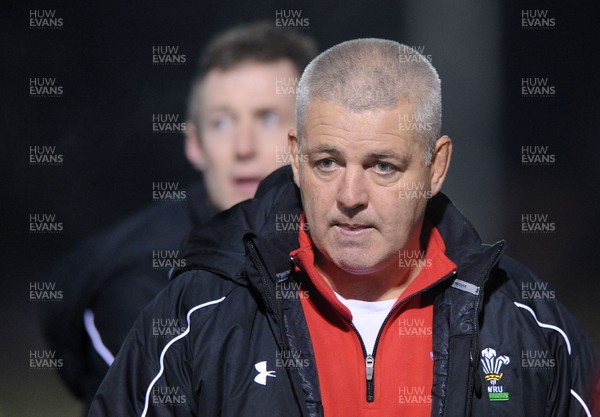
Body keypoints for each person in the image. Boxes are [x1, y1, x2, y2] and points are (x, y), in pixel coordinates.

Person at [88, 39, 598, 417]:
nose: (350, 197)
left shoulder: (531, 324)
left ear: (436, 166)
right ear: (294, 156)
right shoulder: (198, 316)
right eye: (327, 162)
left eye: (383, 166)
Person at [41, 21, 317, 410]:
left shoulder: (349, 243)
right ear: (194, 143)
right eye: (222, 122)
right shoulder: (141, 281)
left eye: (268, 118)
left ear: (314, 135)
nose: (243, 146)